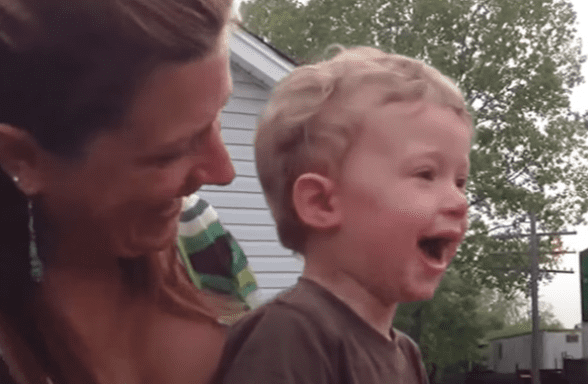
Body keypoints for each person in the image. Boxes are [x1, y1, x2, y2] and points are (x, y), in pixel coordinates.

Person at [0, 0, 256, 383]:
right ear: (22, 158)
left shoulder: (200, 235)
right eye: (170, 153)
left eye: (216, 118)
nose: (224, 172)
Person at [214, 46, 473, 383]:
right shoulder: (289, 336)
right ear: (321, 203)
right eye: (425, 174)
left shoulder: (405, 355)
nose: (459, 201)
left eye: (460, 181)